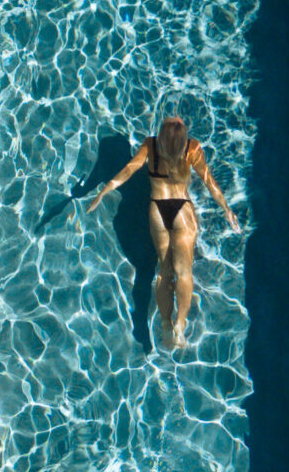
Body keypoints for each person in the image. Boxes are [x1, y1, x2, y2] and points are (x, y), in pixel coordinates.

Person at [87, 114, 238, 349]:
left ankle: (165, 325)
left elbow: (128, 170)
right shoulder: (192, 148)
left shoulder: (150, 145)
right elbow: (209, 181)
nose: (176, 117)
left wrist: (103, 191)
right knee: (184, 271)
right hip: (182, 211)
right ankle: (180, 325)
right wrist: (226, 209)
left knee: (163, 272)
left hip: (158, 210)